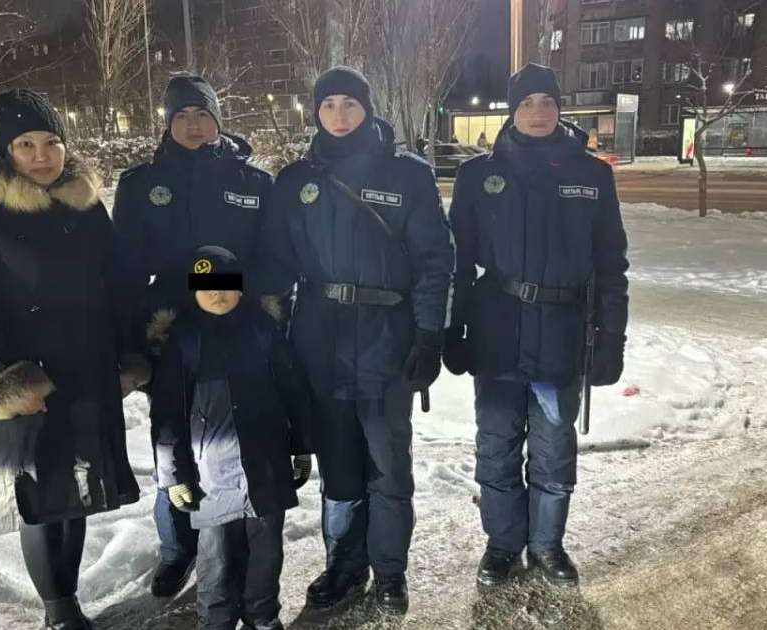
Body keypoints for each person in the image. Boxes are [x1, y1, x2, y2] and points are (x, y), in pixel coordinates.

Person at [0, 88, 145, 630]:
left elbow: (117, 283)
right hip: (26, 378)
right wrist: (6, 381)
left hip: (85, 368)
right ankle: (58, 611)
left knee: (76, 488)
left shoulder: (82, 205)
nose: (41, 155)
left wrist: (127, 353)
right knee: (39, 492)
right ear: (5, 151)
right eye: (26, 144)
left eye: (52, 142)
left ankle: (68, 597)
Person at [260, 66, 454, 615]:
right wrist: (232, 314)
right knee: (340, 469)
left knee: (388, 466)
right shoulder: (297, 181)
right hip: (319, 340)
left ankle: (390, 571)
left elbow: (436, 263)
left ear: (367, 109)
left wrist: (430, 333)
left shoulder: (408, 176)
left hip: (387, 340)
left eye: (349, 104)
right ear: (315, 112)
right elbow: (273, 264)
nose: (339, 115)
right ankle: (345, 567)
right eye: (328, 106)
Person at [445, 63, 629, 589]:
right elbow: (458, 261)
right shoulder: (479, 175)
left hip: (563, 334)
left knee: (553, 452)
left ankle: (547, 546)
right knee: (496, 448)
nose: (537, 111)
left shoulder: (592, 175)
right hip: (498, 332)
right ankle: (502, 545)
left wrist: (611, 339)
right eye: (526, 103)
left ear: (559, 108)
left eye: (547, 102)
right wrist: (453, 329)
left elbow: (611, 265)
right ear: (512, 110)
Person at [111, 73, 276, 598]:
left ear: (219, 120)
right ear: (167, 122)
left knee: (233, 434)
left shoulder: (254, 183)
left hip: (238, 323)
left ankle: (236, 541)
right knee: (173, 439)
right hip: (171, 328)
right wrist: (133, 338)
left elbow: (272, 258)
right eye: (182, 116)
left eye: (202, 115)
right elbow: (125, 270)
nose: (193, 125)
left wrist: (265, 315)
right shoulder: (141, 184)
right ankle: (177, 548)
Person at [150, 245, 314, 630]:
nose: (217, 293)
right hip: (212, 472)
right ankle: (216, 620)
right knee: (217, 558)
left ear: (241, 287)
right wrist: (172, 476)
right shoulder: (184, 340)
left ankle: (262, 615)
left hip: (266, 463)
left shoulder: (263, 329)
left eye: (225, 285)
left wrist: (302, 446)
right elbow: (167, 415)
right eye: (206, 287)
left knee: (266, 553)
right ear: (194, 291)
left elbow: (293, 390)